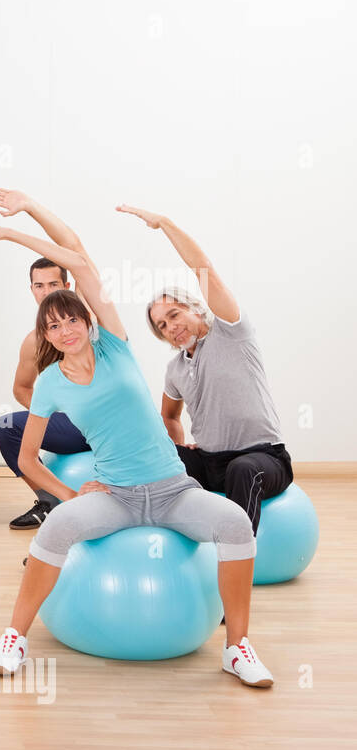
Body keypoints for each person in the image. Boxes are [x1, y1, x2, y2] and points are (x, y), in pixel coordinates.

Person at [0, 218, 273, 688]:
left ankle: (236, 648)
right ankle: (13, 637)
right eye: (53, 325)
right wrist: (69, 494)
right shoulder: (50, 383)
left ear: (88, 321)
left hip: (172, 489)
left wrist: (13, 232)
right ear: (45, 336)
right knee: (58, 528)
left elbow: (81, 265)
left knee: (234, 522)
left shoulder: (115, 348)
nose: (65, 330)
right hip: (117, 495)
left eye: (71, 319)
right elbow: (26, 461)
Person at [118, 204, 293, 534]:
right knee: (162, 457)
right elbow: (169, 416)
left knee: (243, 469)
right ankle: (145, 535)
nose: (171, 326)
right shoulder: (175, 369)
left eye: (174, 314)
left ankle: (233, 557)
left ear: (196, 309)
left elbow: (204, 269)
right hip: (212, 462)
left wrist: (165, 224)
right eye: (162, 325)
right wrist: (182, 446)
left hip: (263, 459)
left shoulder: (231, 333)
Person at [0, 189, 95, 529]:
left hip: (105, 423)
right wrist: (50, 412)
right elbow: (21, 387)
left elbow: (76, 249)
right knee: (5, 426)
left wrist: (28, 209)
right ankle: (47, 500)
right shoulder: (34, 341)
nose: (46, 292)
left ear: (69, 284)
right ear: (31, 289)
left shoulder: (90, 318)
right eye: (38, 286)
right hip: (71, 424)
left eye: (53, 284)